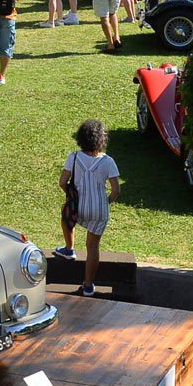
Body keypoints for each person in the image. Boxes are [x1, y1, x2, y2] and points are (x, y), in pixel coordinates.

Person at [57, 119, 121, 296]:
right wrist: (106, 202)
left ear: (81, 138)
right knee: (92, 247)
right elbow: (116, 190)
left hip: (79, 206)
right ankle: (88, 285)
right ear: (101, 139)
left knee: (66, 216)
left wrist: (71, 194)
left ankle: (69, 249)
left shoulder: (74, 157)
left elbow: (62, 181)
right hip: (100, 209)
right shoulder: (108, 161)